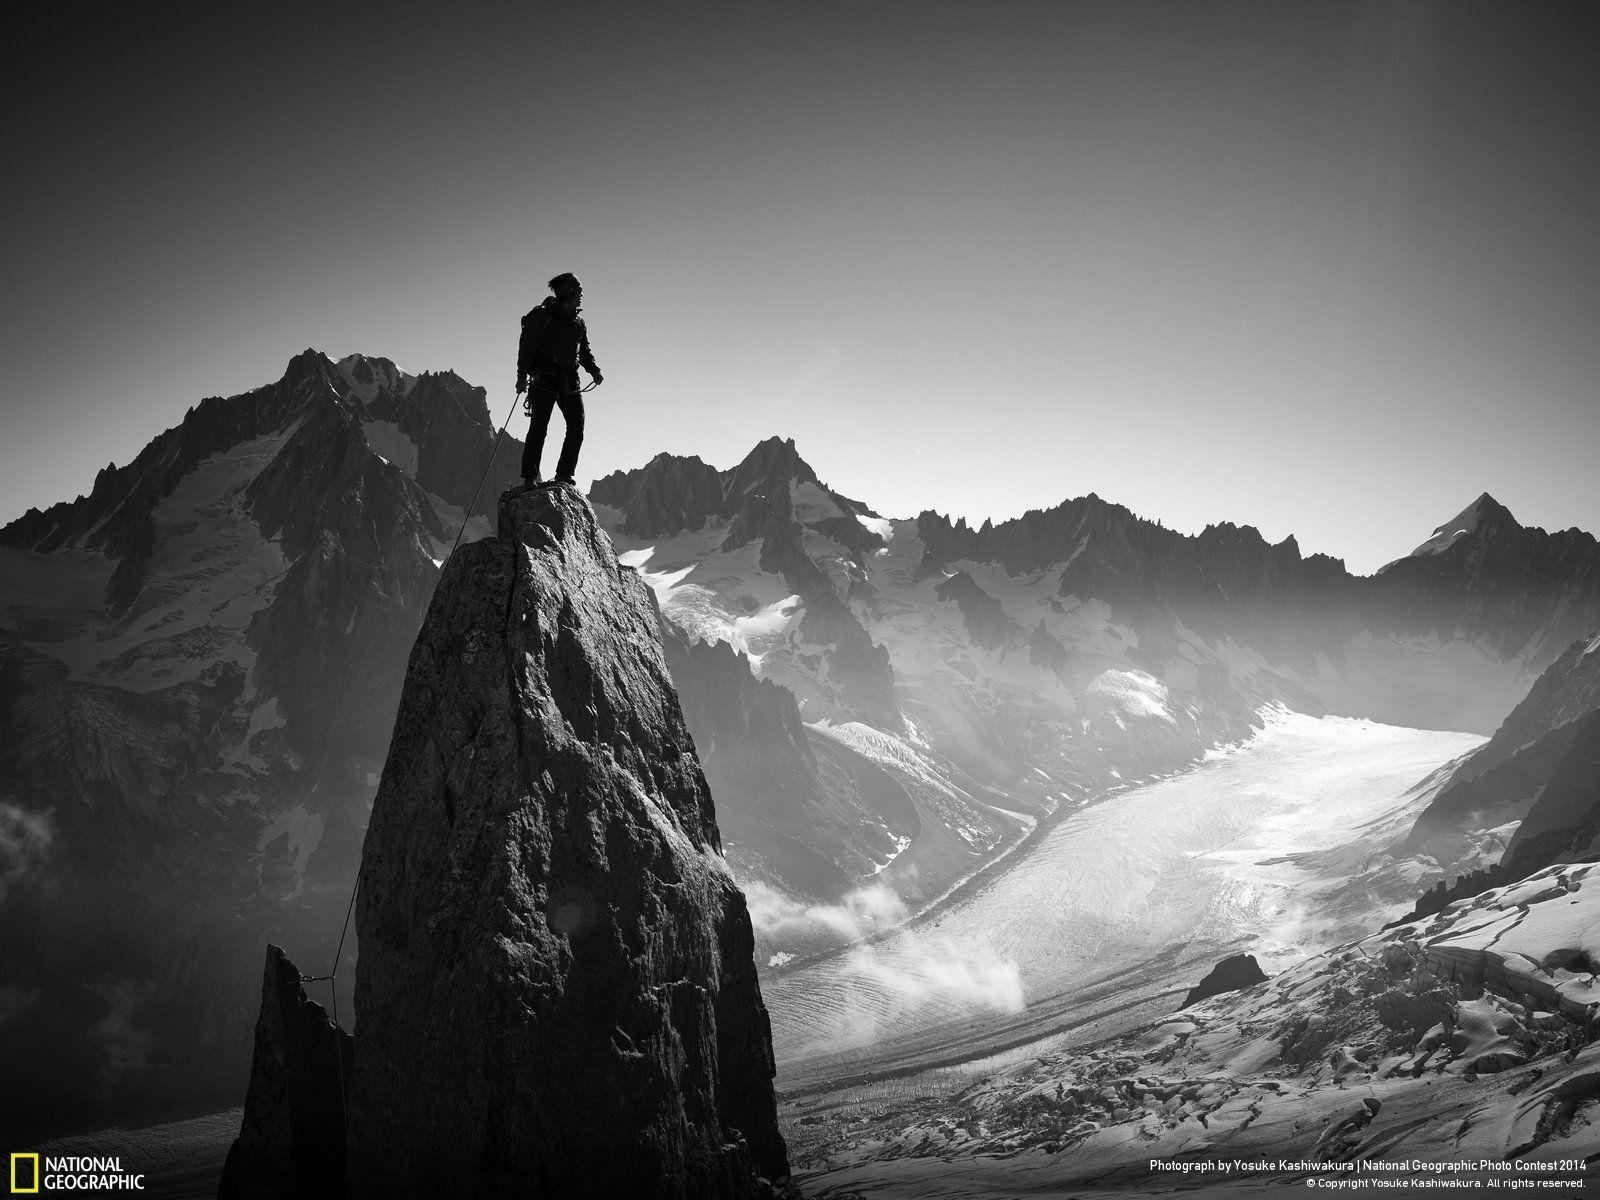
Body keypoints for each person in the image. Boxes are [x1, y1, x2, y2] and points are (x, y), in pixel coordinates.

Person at [516, 272, 602, 487]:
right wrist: (521, 377)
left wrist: (594, 371)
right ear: (569, 293)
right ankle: (531, 477)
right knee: (540, 428)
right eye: (579, 290)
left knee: (574, 427)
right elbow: (526, 350)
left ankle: (563, 475)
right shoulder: (543, 319)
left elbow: (584, 353)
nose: (582, 294)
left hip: (565, 381)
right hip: (547, 380)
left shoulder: (577, 323)